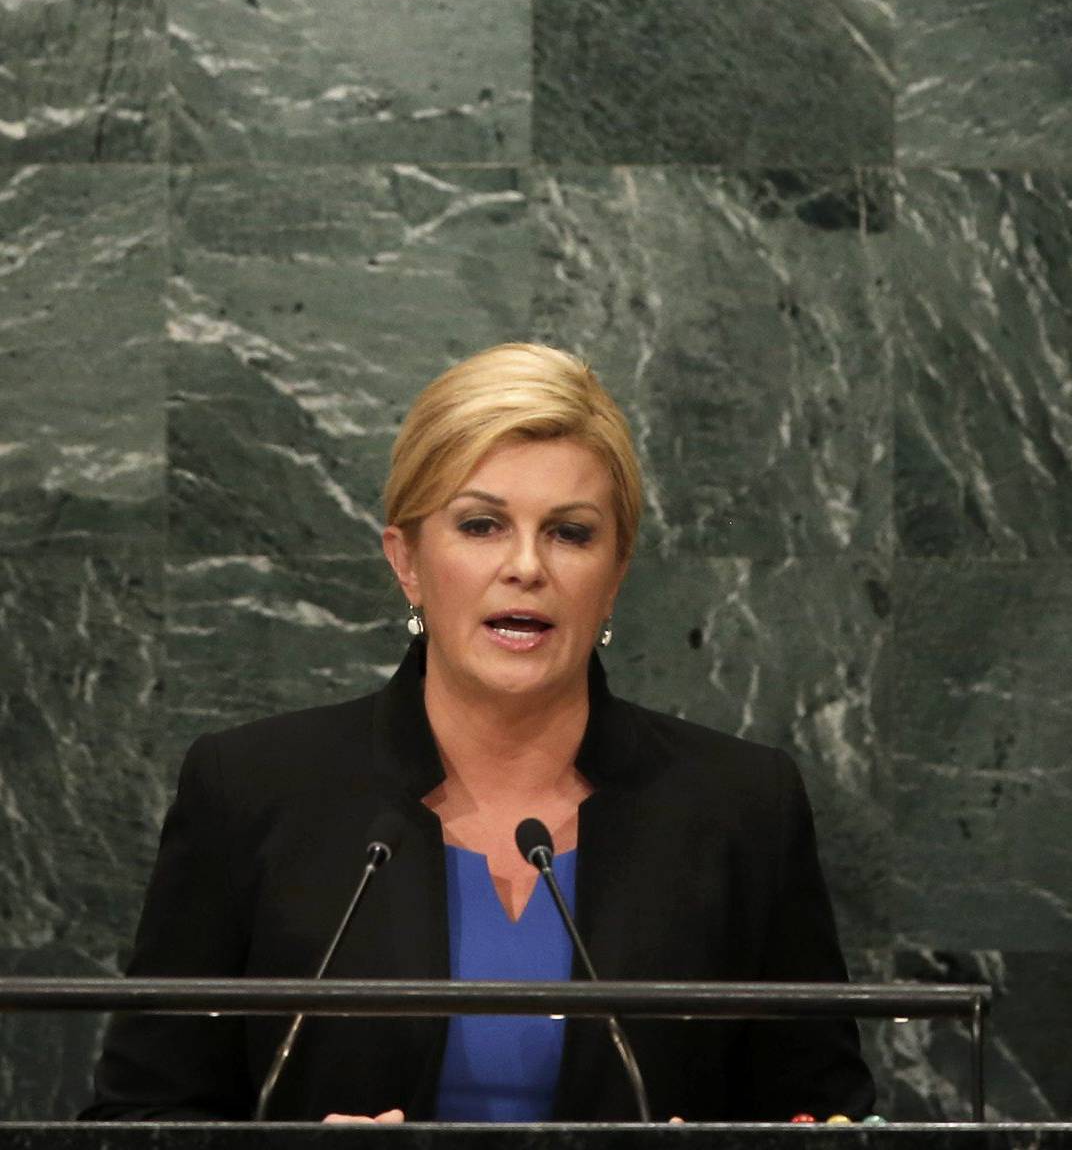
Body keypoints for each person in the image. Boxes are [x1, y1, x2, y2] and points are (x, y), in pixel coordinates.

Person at [84, 344, 872, 1123]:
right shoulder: (252, 790)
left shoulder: (740, 807)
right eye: (483, 524)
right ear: (408, 561)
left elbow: (825, 1113)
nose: (526, 565)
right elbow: (140, 1119)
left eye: (570, 533)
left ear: (616, 574)